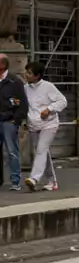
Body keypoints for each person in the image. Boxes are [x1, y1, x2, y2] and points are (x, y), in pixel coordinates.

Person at [22, 62, 67, 191]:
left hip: (49, 124)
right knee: (42, 152)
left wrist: (49, 109)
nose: (26, 75)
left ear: (37, 76)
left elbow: (63, 101)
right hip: (33, 125)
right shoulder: (26, 89)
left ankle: (34, 178)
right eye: (26, 72)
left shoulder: (48, 87)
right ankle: (52, 181)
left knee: (41, 150)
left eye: (29, 73)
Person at [0, 54, 27, 191]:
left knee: (12, 151)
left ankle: (15, 181)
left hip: (8, 121)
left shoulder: (15, 82)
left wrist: (15, 120)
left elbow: (22, 104)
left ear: (3, 65)